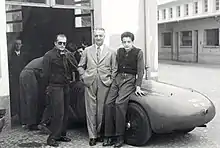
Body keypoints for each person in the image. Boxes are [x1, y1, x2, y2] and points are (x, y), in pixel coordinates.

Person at [103, 32, 145, 148]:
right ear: (122, 42)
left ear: (132, 42)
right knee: (108, 104)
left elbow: (140, 70)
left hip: (129, 79)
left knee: (119, 103)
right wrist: (113, 79)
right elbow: (116, 67)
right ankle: (108, 135)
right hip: (118, 78)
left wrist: (138, 86)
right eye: (124, 42)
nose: (126, 44)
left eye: (128, 42)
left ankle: (119, 136)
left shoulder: (138, 52)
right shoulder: (119, 51)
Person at [78, 28, 117, 146]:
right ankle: (92, 136)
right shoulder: (87, 51)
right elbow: (80, 66)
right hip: (90, 82)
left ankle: (99, 133)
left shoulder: (111, 52)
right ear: (93, 37)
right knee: (90, 109)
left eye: (100, 36)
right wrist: (84, 76)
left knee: (101, 110)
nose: (98, 38)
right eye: (96, 36)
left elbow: (115, 69)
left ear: (104, 37)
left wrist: (110, 80)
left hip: (104, 83)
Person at [42, 34, 78, 147]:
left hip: (66, 86)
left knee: (66, 112)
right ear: (55, 43)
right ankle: (52, 137)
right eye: (60, 43)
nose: (62, 45)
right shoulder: (49, 55)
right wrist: (48, 87)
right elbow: (45, 74)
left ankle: (62, 134)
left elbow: (75, 67)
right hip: (55, 86)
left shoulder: (67, 54)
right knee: (58, 113)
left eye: (64, 43)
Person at [19, 57, 45, 130]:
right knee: (32, 98)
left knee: (25, 98)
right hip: (30, 73)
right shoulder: (51, 58)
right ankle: (31, 124)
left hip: (24, 73)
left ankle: (25, 122)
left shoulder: (46, 57)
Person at [8, 39, 26, 120]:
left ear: (21, 45)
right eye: (16, 44)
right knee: (16, 97)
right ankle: (17, 114)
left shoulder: (24, 55)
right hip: (15, 79)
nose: (18, 46)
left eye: (19, 44)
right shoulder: (12, 56)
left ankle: (23, 116)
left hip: (22, 79)